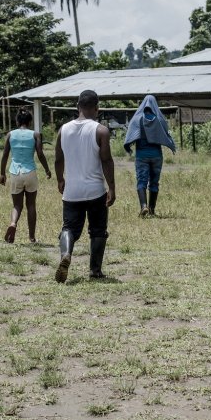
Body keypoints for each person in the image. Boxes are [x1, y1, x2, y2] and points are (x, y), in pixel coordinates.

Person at [54, 90, 116, 282]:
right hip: (95, 190)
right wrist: (112, 187)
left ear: (77, 107)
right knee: (98, 230)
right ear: (97, 108)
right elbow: (106, 160)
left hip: (72, 191)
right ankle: (95, 271)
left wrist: (60, 180)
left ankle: (66, 254)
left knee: (69, 229)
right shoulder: (101, 130)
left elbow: (58, 159)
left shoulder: (63, 130)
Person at [0, 109, 51, 244]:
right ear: (30, 122)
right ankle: (32, 238)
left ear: (17, 121)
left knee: (17, 205)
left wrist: (2, 173)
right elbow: (40, 154)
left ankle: (13, 224)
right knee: (31, 205)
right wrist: (47, 170)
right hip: (30, 172)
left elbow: (5, 155)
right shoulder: (36, 135)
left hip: (15, 172)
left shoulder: (10, 134)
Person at [123, 94, 176, 217]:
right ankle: (152, 211)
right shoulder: (159, 119)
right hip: (157, 155)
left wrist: (128, 146)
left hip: (141, 155)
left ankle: (143, 206)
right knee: (154, 182)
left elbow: (131, 135)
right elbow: (165, 134)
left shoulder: (137, 119)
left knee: (141, 181)